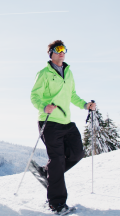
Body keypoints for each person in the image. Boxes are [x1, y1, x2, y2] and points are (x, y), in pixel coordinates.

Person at [30, 40, 96, 213]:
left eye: (64, 49)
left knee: (77, 153)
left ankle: (47, 173)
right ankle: (56, 204)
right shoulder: (44, 73)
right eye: (58, 49)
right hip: (49, 121)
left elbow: (72, 95)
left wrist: (85, 105)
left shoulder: (69, 72)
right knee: (58, 160)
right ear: (50, 53)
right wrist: (44, 106)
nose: (62, 52)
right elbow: (34, 96)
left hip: (66, 122)